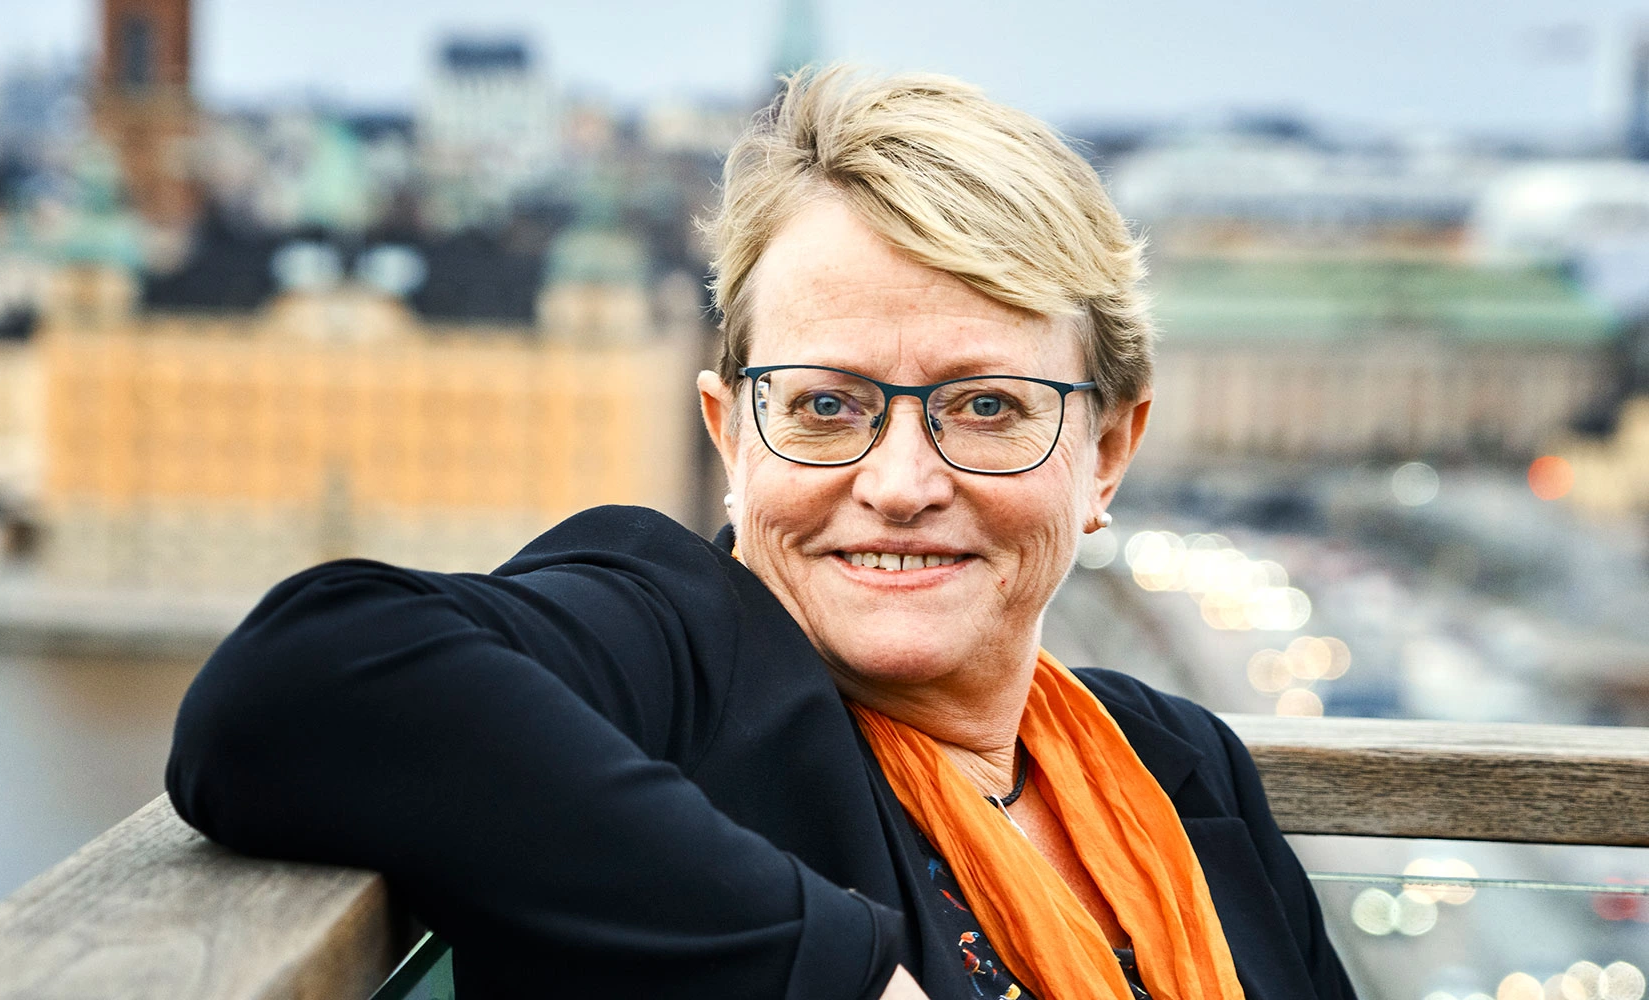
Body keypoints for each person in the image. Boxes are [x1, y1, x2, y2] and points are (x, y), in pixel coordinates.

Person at [166, 67, 1356, 1000]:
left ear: (1106, 453)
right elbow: (299, 685)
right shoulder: (682, 660)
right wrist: (832, 972)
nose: (899, 482)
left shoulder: (1176, 765)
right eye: (828, 406)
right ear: (732, 436)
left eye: (986, 406)